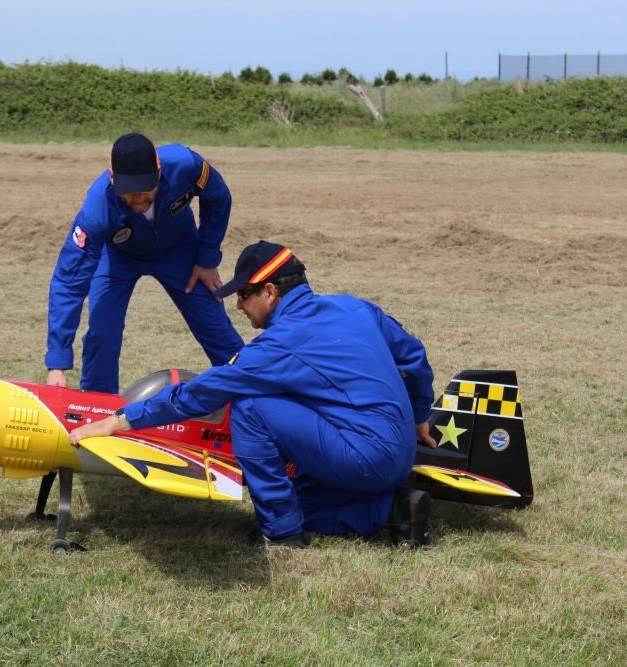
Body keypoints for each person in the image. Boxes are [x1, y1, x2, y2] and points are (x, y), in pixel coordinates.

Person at [68, 240, 438, 548]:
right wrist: (420, 416)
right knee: (297, 491)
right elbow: (414, 356)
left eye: (244, 295)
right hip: (401, 449)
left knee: (250, 407)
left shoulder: (277, 346)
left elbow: (201, 394)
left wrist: (121, 420)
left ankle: (282, 534)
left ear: (270, 292)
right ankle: (393, 510)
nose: (239, 305)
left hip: (367, 457)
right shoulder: (354, 307)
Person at [45, 133, 244, 392]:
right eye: (129, 191)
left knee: (216, 328)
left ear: (159, 171)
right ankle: (98, 407)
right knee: (103, 335)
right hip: (118, 258)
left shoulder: (187, 165)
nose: (138, 197)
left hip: (179, 250)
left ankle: (250, 397)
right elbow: (69, 281)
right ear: (112, 177)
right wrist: (57, 364)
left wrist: (207, 258)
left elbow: (218, 198)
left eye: (146, 186)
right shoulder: (97, 208)